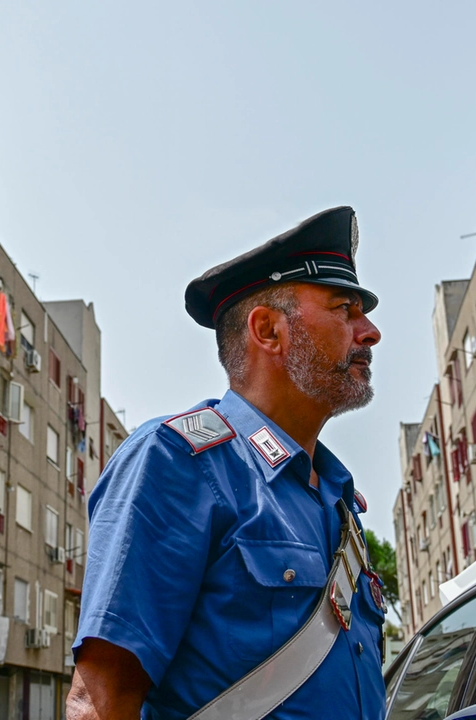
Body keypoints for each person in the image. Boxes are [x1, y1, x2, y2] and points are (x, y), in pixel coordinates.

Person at [66, 207, 386, 719]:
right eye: (344, 309)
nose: (369, 331)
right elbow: (99, 702)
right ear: (269, 331)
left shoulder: (338, 497)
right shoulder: (176, 462)